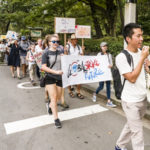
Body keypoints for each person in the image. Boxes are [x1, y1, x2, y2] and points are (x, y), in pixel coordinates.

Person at [115, 23, 149, 150]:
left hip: (143, 98)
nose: (141, 39)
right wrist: (142, 59)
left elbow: (146, 74)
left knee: (131, 125)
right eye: (138, 36)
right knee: (137, 132)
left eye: (142, 35)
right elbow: (132, 78)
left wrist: (148, 66)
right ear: (128, 39)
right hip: (130, 101)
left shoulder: (143, 53)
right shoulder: (121, 57)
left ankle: (119, 145)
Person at [41, 34, 63, 128]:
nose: (56, 43)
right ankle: (56, 118)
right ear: (49, 42)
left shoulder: (60, 51)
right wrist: (55, 72)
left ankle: (50, 105)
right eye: (54, 41)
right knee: (54, 98)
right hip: (50, 76)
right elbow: (43, 67)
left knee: (57, 98)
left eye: (57, 41)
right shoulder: (45, 53)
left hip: (60, 77)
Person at [92, 42, 116, 107]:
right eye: (103, 46)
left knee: (108, 87)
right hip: (101, 73)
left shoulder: (109, 55)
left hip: (107, 73)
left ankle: (108, 101)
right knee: (101, 86)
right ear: (101, 47)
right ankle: (95, 93)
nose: (105, 47)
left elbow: (111, 63)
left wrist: (111, 65)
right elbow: (96, 63)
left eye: (105, 46)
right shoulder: (99, 55)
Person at [66, 34, 84, 99]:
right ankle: (70, 91)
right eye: (74, 39)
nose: (75, 40)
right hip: (69, 65)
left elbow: (82, 56)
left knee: (79, 80)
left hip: (77, 65)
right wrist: (65, 51)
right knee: (69, 79)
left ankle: (78, 92)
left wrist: (83, 50)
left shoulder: (79, 47)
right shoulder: (67, 46)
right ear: (71, 40)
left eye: (76, 39)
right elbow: (65, 56)